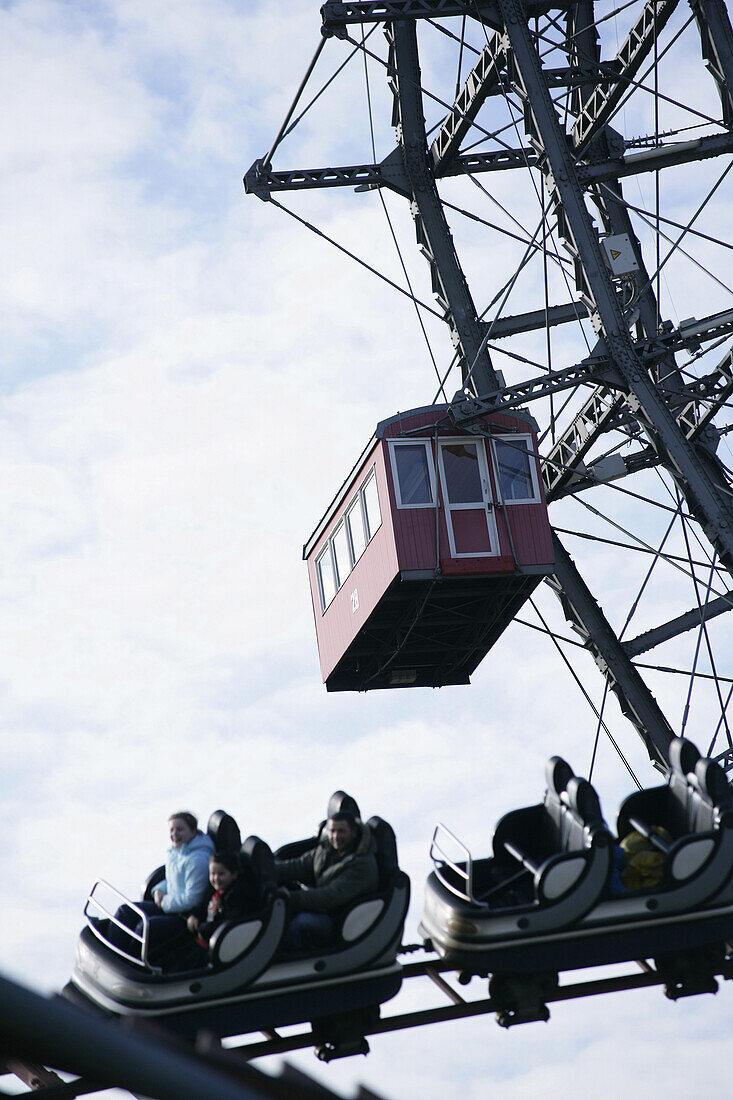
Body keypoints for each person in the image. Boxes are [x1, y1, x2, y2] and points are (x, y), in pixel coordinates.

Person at [108, 811, 214, 962]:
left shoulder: (198, 860)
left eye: (180, 829)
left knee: (144, 927)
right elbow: (172, 879)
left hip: (184, 916)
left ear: (192, 831)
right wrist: (159, 890)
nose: (174, 834)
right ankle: (111, 952)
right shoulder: (177, 851)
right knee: (126, 911)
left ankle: (129, 962)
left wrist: (164, 902)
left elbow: (193, 899)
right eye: (172, 830)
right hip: (169, 906)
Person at [274, 810, 378, 952]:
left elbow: (329, 897)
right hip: (323, 911)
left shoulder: (362, 865)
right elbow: (298, 866)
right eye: (332, 831)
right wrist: (268, 870)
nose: (335, 837)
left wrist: (290, 898)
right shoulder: (326, 850)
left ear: (353, 832)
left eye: (341, 831)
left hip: (339, 921)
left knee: (299, 924)